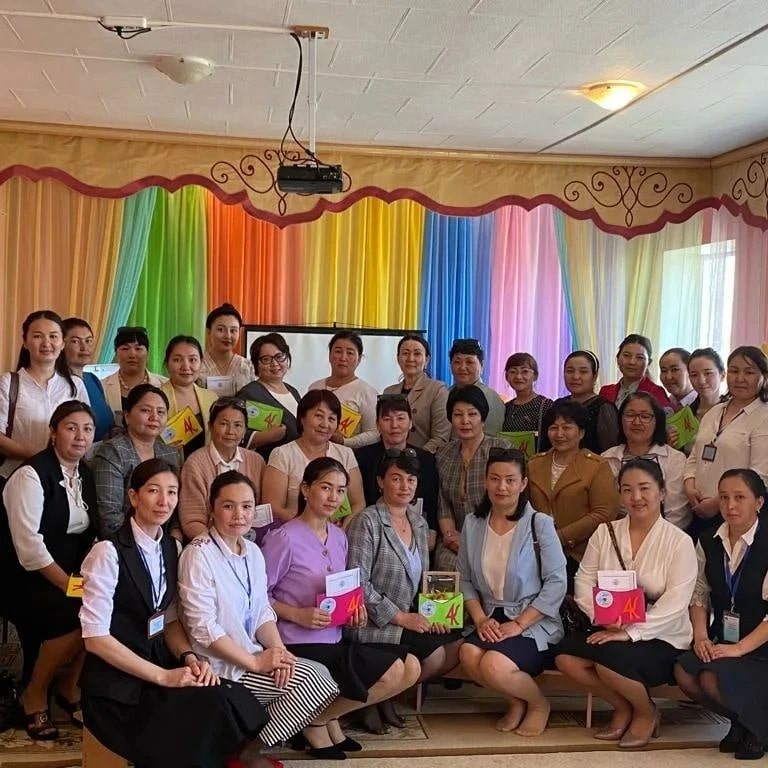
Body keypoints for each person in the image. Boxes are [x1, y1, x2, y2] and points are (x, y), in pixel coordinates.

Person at [79, 459, 268, 768]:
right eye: (153, 491)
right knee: (206, 709)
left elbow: (168, 618)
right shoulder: (107, 552)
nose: (164, 501)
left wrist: (189, 658)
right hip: (118, 686)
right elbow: (95, 639)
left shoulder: (170, 547)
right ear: (133, 497)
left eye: (171, 492)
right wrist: (164, 676)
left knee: (230, 697)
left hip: (159, 664)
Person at [178, 470, 344, 763]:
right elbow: (203, 628)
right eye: (228, 506)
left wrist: (279, 650)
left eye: (246, 506)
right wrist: (255, 662)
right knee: (313, 681)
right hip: (219, 665)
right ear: (211, 509)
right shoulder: (198, 554)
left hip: (253, 653)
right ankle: (247, 751)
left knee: (320, 680)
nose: (239, 515)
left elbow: (262, 611)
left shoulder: (252, 551)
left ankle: (247, 746)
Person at [261, 458, 421, 756]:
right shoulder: (283, 538)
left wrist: (354, 611)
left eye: (340, 490)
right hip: (298, 643)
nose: (333, 497)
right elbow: (257, 598)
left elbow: (344, 590)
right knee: (393, 670)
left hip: (335, 638)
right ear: (306, 489)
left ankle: (321, 717)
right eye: (326, 488)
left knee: (411, 667)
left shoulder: (339, 537)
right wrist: (297, 614)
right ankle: (313, 722)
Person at [555, 458, 698, 750]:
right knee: (565, 657)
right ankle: (622, 706)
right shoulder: (605, 533)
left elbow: (676, 602)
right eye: (627, 489)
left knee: (610, 662)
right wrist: (602, 617)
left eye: (645, 488)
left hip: (662, 635)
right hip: (611, 626)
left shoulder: (679, 542)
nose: (636, 497)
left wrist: (630, 632)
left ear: (662, 492)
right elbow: (584, 579)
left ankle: (646, 712)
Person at [0, 401, 97, 739]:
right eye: (71, 428)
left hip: (67, 574)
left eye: (87, 429)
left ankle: (69, 687)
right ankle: (34, 693)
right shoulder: (29, 475)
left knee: (108, 605)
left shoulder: (85, 474)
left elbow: (92, 532)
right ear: (53, 433)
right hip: (24, 578)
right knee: (77, 614)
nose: (80, 436)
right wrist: (71, 585)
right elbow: (29, 547)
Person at [458, 448, 567, 737]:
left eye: (510, 480)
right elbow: (464, 579)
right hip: (491, 616)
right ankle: (515, 701)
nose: (502, 487)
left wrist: (519, 624)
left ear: (523, 483)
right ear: (485, 481)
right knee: (468, 653)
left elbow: (557, 582)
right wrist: (480, 619)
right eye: (495, 479)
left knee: (494, 664)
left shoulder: (539, 524)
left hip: (533, 621)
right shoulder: (473, 524)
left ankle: (539, 704)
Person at [346, 451, 464, 696]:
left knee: (457, 644)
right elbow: (357, 584)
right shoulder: (366, 521)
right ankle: (380, 698)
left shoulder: (419, 523)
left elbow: (423, 579)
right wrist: (400, 617)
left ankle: (388, 696)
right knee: (435, 654)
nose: (405, 486)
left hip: (411, 616)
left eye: (411, 479)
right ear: (380, 482)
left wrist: (434, 614)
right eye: (396, 478)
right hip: (373, 621)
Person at [675, 469, 768, 761]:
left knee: (711, 678)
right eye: (724, 497)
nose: (730, 505)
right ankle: (741, 721)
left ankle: (757, 727)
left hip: (760, 646)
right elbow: (699, 593)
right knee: (686, 671)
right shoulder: (708, 540)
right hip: (725, 638)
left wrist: (738, 649)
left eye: (740, 497)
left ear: (759, 503)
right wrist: (701, 636)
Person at [527, 401, 620, 588]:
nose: (559, 434)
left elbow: (604, 513)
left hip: (580, 556)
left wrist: (560, 537)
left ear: (582, 432)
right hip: (536, 555)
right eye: (554, 428)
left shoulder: (597, 466)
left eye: (567, 427)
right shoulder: (533, 464)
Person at [684, 346, 768, 535]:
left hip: (735, 513)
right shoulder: (714, 411)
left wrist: (718, 502)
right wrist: (689, 486)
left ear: (764, 377)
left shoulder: (764, 416)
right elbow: (694, 457)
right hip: (697, 507)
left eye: (749, 372)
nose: (740, 378)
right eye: (734, 371)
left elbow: (759, 476)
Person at [0, 310, 90, 484]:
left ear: (62, 343)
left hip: (66, 479)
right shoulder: (9, 383)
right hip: (16, 477)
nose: (46, 343)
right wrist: (44, 458)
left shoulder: (75, 385)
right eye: (37, 336)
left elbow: (87, 429)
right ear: (25, 342)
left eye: (53, 336)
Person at [434, 386, 511, 571]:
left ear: (483, 417)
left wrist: (472, 542)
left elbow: (509, 502)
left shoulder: (500, 450)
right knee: (445, 564)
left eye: (472, 414)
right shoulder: (443, 454)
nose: (465, 421)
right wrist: (451, 537)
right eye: (458, 415)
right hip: (454, 538)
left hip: (495, 536)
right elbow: (443, 505)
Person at [262, 390, 365, 524]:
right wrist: (312, 528)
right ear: (302, 418)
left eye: (332, 419)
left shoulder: (346, 454)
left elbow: (358, 503)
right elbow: (274, 508)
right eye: (319, 416)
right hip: (294, 531)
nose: (325, 424)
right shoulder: (282, 454)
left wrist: (340, 530)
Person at [91, 384, 180, 538]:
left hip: (161, 540)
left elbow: (176, 512)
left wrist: (173, 540)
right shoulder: (113, 452)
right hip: (122, 541)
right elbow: (109, 518)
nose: (154, 417)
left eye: (160, 412)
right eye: (146, 410)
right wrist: (142, 544)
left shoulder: (170, 454)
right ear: (127, 416)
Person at [601, 392, 691, 531]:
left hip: (665, 537)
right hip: (616, 535)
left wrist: (652, 539)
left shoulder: (674, 459)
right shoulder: (607, 458)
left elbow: (677, 515)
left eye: (645, 416)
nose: (637, 422)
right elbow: (603, 508)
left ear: (657, 421)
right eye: (630, 415)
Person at [180, 398, 266, 542]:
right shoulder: (195, 463)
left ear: (245, 430)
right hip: (208, 545)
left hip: (249, 542)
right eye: (223, 424)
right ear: (210, 426)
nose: (230, 431)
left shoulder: (257, 461)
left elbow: (261, 511)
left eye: (237, 425)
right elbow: (191, 521)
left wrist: (243, 545)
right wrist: (222, 547)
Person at [354, 395, 439, 536]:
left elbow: (432, 501)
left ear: (410, 423)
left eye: (400, 418)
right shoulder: (363, 457)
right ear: (377, 424)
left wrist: (432, 530)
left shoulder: (425, 459)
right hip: (372, 529)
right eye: (387, 419)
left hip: (416, 529)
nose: (394, 425)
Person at [308, 331, 379, 449]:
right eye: (338, 351)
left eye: (350, 353)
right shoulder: (314, 387)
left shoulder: (366, 392)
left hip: (348, 455)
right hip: (312, 452)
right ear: (330, 356)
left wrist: (345, 442)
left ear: (359, 359)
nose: (343, 358)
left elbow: (375, 433)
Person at [236, 332, 301, 462]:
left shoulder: (293, 391)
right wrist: (266, 436)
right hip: (267, 464)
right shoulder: (249, 394)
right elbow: (236, 433)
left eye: (279, 356)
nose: (275, 363)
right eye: (266, 359)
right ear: (256, 364)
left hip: (297, 462)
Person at [540, 351, 619, 455]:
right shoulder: (558, 404)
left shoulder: (604, 408)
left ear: (594, 376)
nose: (575, 377)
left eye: (583, 372)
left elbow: (611, 452)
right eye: (570, 371)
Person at [382, 334, 450, 454]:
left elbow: (441, 437)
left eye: (417, 354)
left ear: (426, 360)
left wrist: (414, 458)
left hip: (424, 458)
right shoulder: (389, 392)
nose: (410, 358)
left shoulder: (438, 390)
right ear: (398, 358)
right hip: (391, 458)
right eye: (405, 353)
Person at [161, 336, 219, 461]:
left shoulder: (211, 398)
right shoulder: (156, 398)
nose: (185, 366)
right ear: (167, 364)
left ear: (201, 364)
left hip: (204, 468)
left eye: (192, 360)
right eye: (177, 360)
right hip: (167, 467)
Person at [62, 317, 114, 441]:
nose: (84, 347)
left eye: (88, 341)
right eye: (75, 341)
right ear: (61, 345)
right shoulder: (57, 384)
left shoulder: (92, 379)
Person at [101, 326, 166, 424]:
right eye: (125, 348)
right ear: (116, 354)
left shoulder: (165, 385)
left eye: (138, 349)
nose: (132, 354)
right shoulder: (101, 387)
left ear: (147, 354)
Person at [448, 338, 505, 437]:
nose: (462, 367)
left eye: (469, 362)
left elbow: (492, 438)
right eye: (457, 362)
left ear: (482, 366)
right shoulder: (444, 393)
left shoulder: (489, 397)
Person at [599, 334, 671, 410]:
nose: (632, 362)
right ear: (617, 359)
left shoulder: (656, 392)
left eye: (640, 357)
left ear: (648, 363)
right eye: (626, 355)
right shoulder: (605, 391)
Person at [198, 303, 255, 396]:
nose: (228, 336)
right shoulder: (197, 365)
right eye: (220, 329)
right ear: (209, 332)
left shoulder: (246, 367)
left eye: (233, 331)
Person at [501, 353, 553, 447]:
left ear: (535, 376)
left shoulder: (546, 405)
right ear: (506, 376)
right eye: (513, 371)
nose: (518, 376)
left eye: (525, 371)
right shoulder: (505, 407)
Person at [687, 347, 728, 422]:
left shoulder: (733, 412)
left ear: (722, 375)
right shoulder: (686, 415)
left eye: (708, 373)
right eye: (694, 375)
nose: (701, 381)